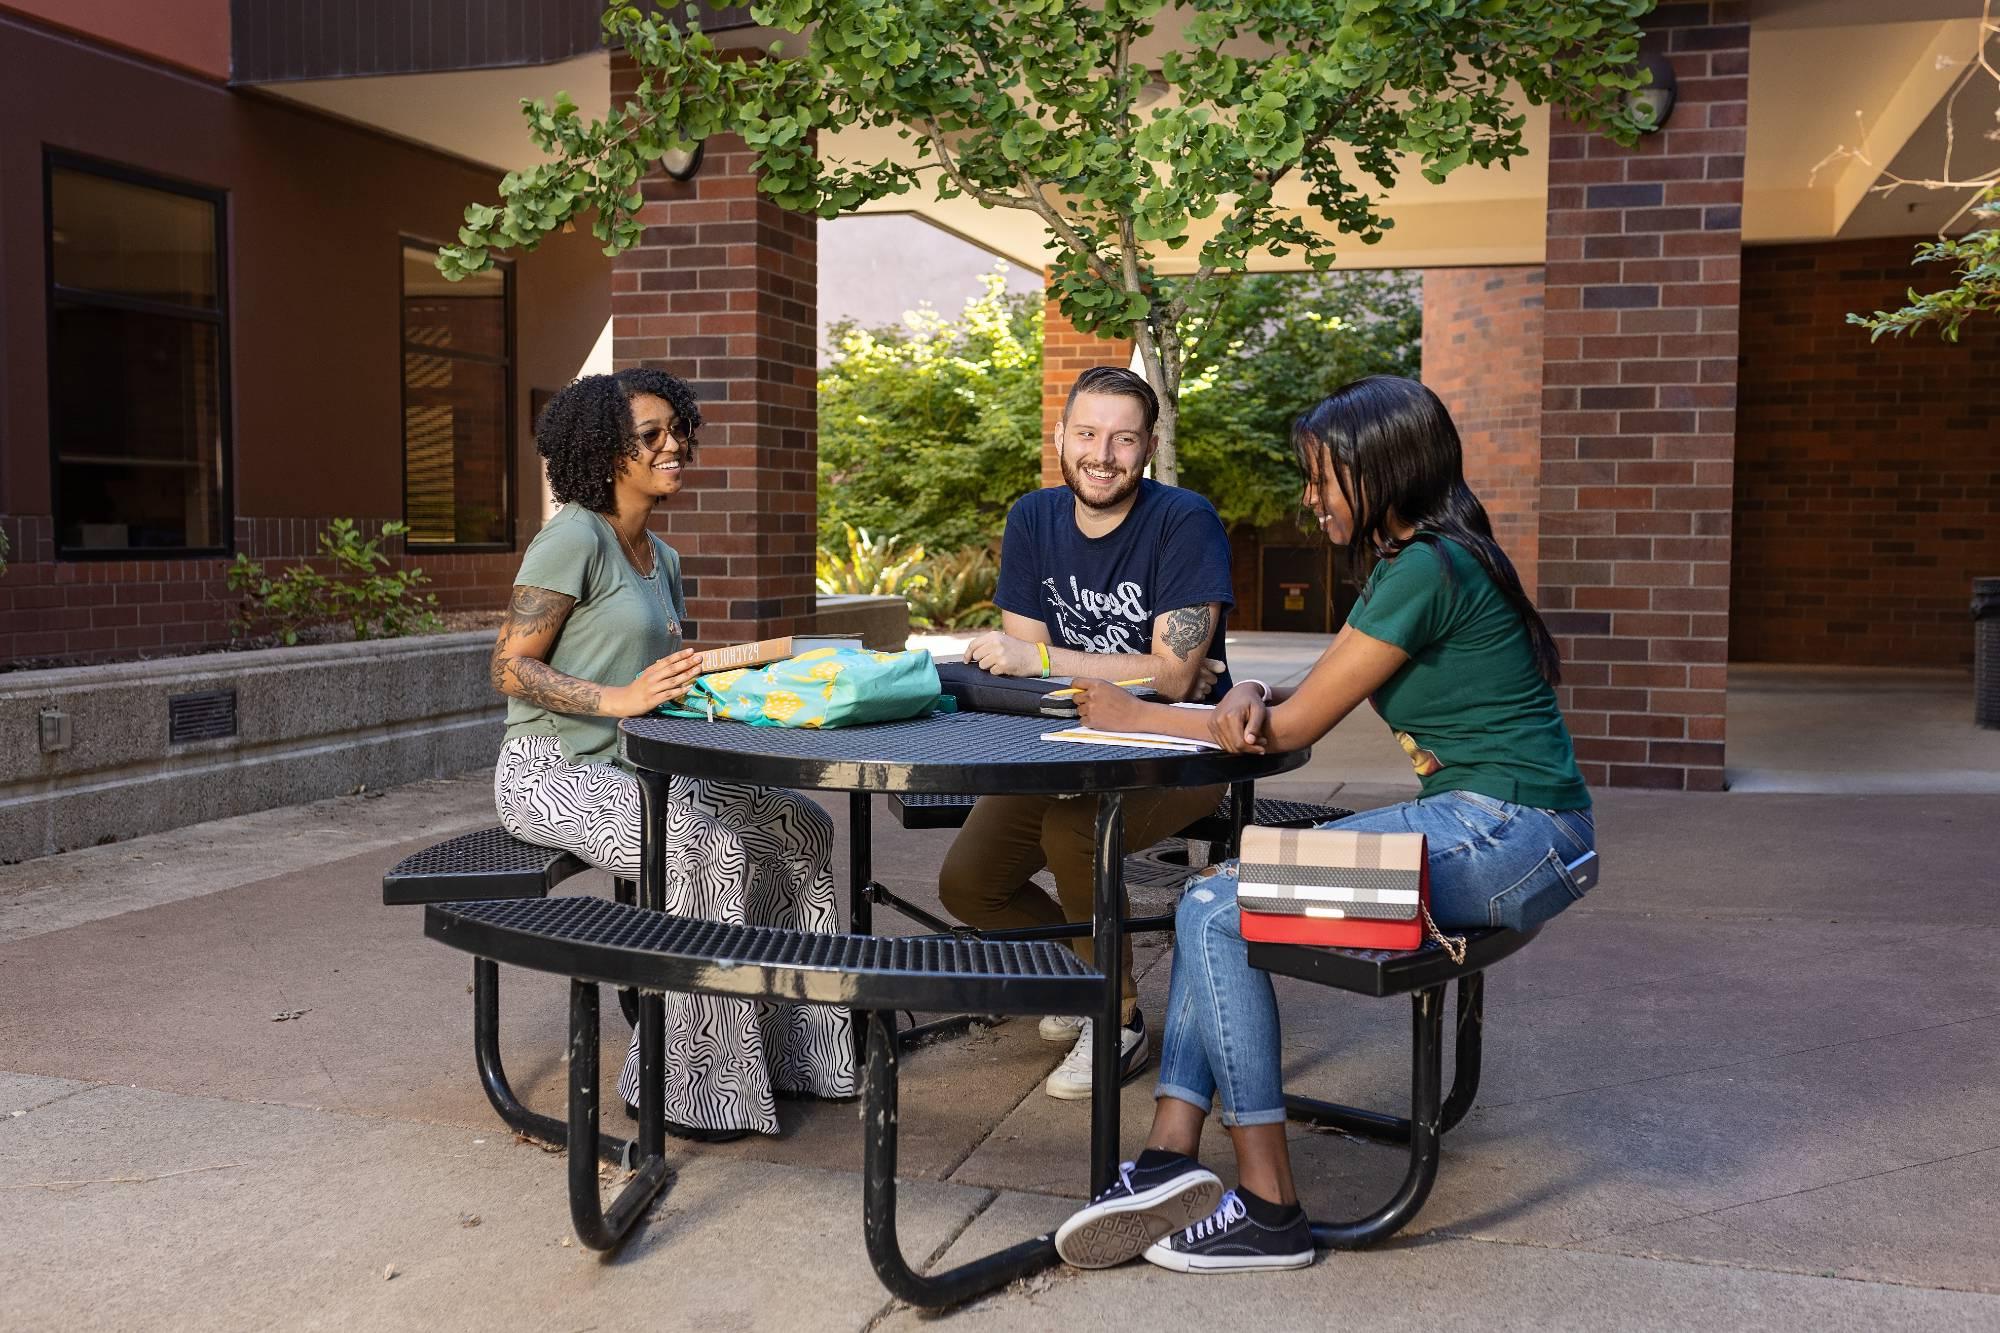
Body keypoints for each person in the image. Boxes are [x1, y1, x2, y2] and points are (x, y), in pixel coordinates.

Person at [1051, 374, 1595, 1273]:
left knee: (1221, 905)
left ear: (1385, 470)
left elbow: (1293, 735)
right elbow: (1303, 701)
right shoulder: (1410, 562)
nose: (1310, 499)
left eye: (1323, 477)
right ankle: (1165, 1163)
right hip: (1483, 823)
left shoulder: (1427, 567)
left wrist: (1135, 711)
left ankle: (1268, 1209)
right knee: (1209, 895)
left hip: (1516, 834)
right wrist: (1255, 688)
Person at [489, 369, 854, 1142]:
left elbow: (654, 681)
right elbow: (509, 665)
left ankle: (796, 1054)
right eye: (650, 435)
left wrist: (735, 681)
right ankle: (690, 1086)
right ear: (604, 451)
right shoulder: (573, 536)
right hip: (550, 771)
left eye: (675, 429)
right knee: (703, 845)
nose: (673, 445)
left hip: (637, 767)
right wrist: (618, 699)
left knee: (800, 827)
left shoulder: (661, 557)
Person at [939, 365, 1236, 1101]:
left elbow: (1172, 683)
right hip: (1065, 742)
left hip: (1180, 749)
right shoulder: (1034, 519)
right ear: (1060, 438)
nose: (1103, 453)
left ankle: (1118, 1014)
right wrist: (1143, 667)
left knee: (1077, 828)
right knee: (969, 884)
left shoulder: (1183, 520)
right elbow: (1032, 682)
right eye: (1088, 434)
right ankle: (1081, 972)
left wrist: (1055, 658)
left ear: (1149, 445)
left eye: (1124, 438)